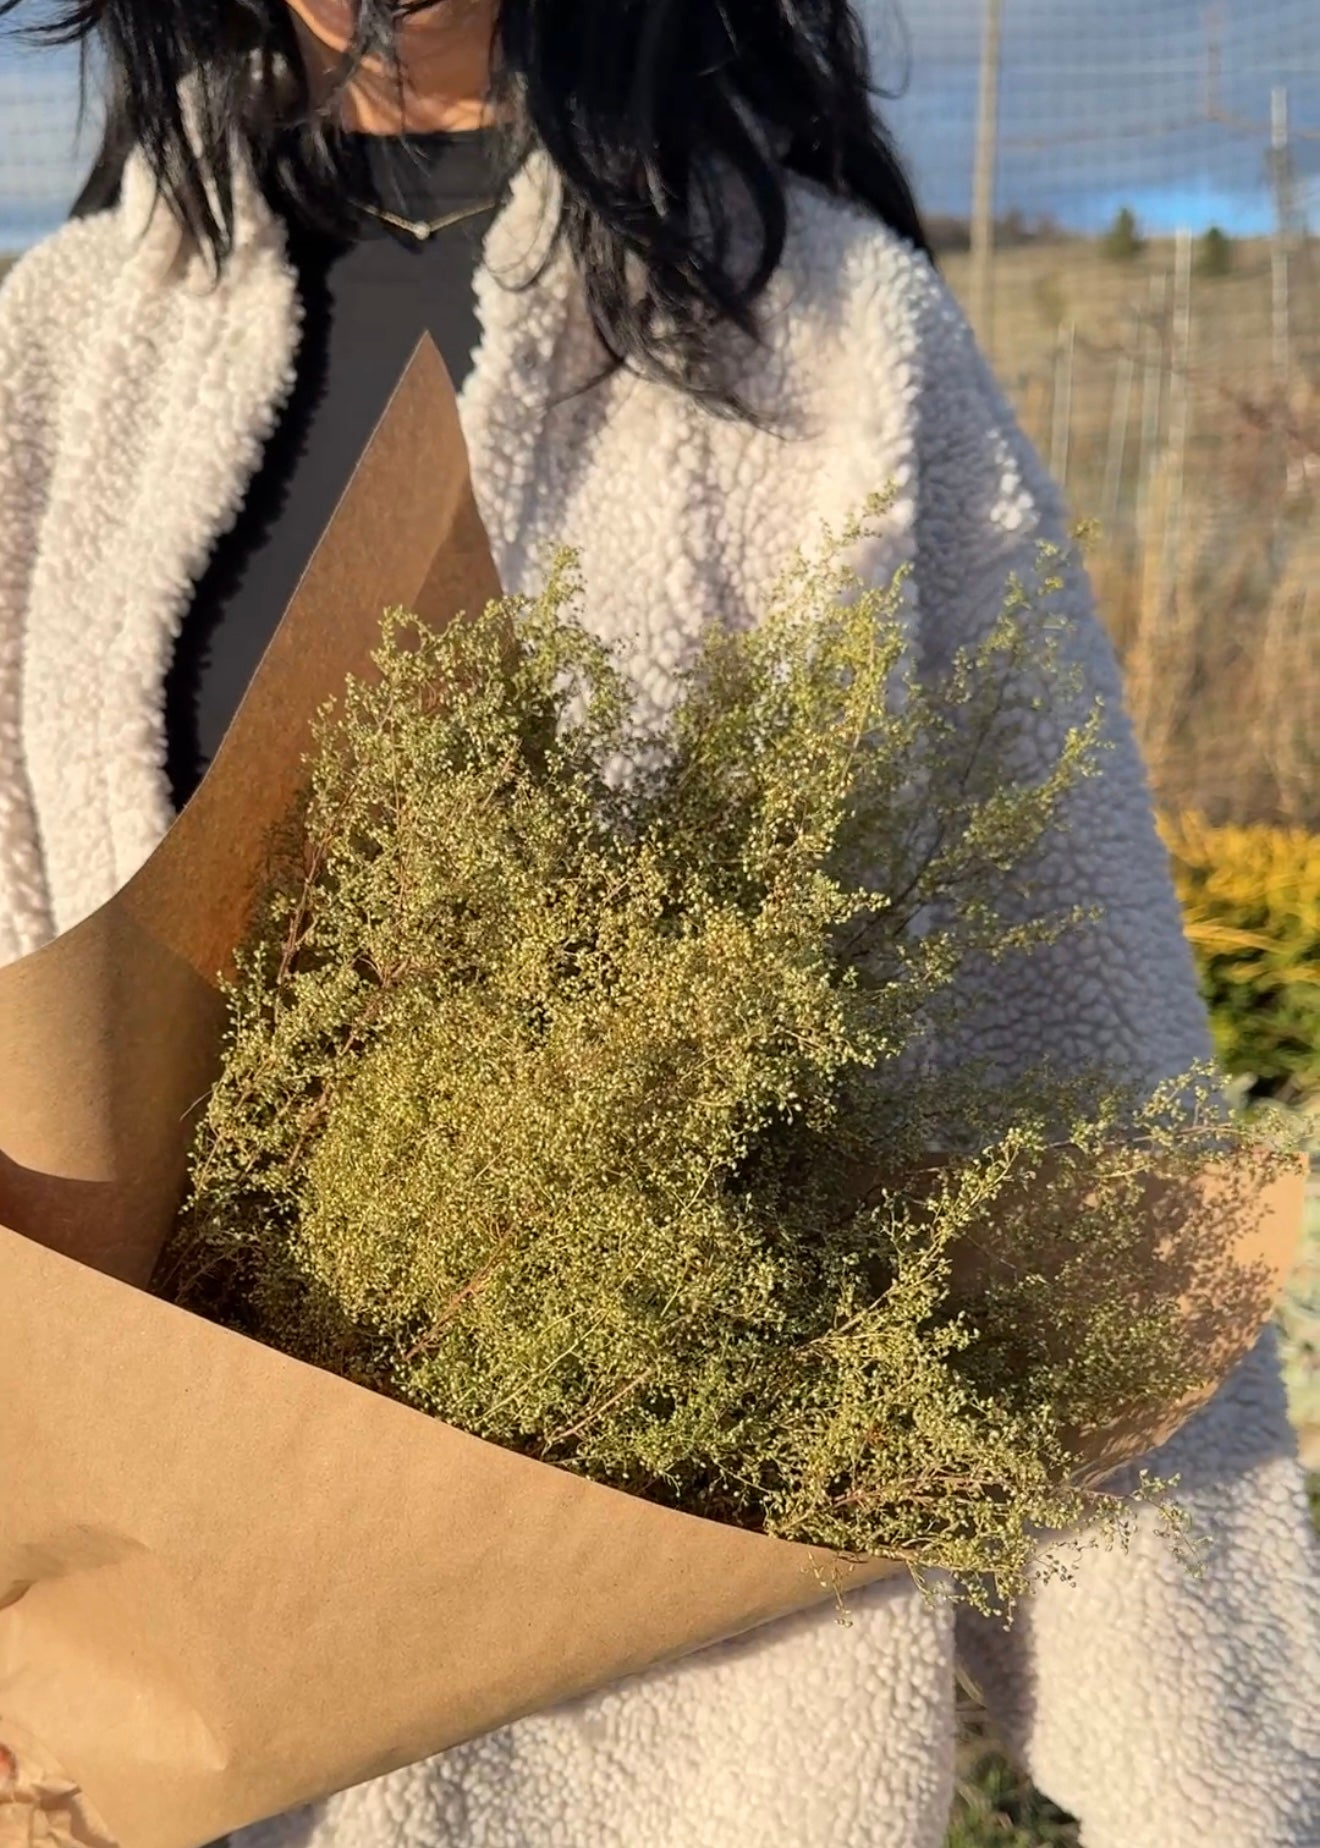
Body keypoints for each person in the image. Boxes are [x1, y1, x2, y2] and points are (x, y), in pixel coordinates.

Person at [0, 2, 1316, 1843]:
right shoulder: (65, 352)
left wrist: (1213, 1775)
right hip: (151, 1717)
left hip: (683, 1735)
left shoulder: (828, 346)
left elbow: (1070, 1090)